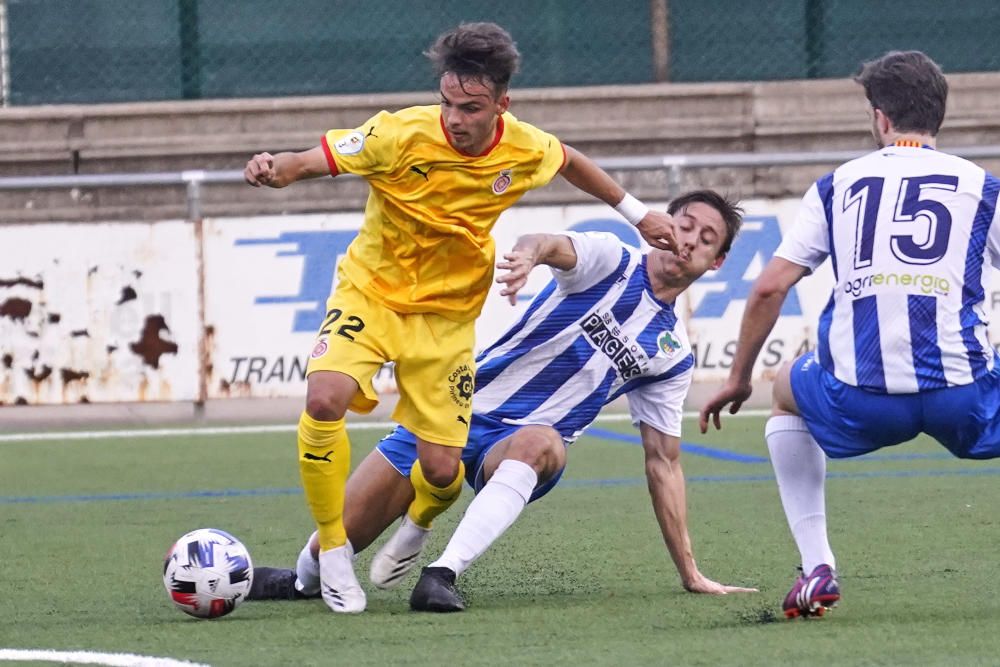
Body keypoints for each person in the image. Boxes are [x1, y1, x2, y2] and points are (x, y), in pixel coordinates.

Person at [243, 22, 676, 614]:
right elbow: (310, 160)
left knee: (443, 471)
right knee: (324, 399)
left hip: (446, 321)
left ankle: (419, 523)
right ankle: (336, 551)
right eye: (447, 102)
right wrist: (276, 169)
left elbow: (570, 159)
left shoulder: (522, 146)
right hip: (370, 295)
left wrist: (636, 213)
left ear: (502, 104)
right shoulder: (398, 133)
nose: (454, 118)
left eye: (470, 108)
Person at [249, 190, 757, 610]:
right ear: (665, 221)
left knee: (543, 441)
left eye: (706, 238)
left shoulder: (672, 354)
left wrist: (690, 571)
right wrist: (529, 256)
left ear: (718, 262)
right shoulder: (611, 259)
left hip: (518, 446)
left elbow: (663, 463)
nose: (688, 239)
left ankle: (441, 575)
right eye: (685, 223)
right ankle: (298, 579)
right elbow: (549, 243)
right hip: (453, 412)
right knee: (330, 548)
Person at [699, 50, 1000, 619]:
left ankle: (818, 568)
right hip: (964, 395)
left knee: (785, 388)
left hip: (862, 397)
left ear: (881, 118)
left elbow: (768, 289)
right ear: (938, 116)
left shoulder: (837, 186)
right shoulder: (984, 188)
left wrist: (738, 379)